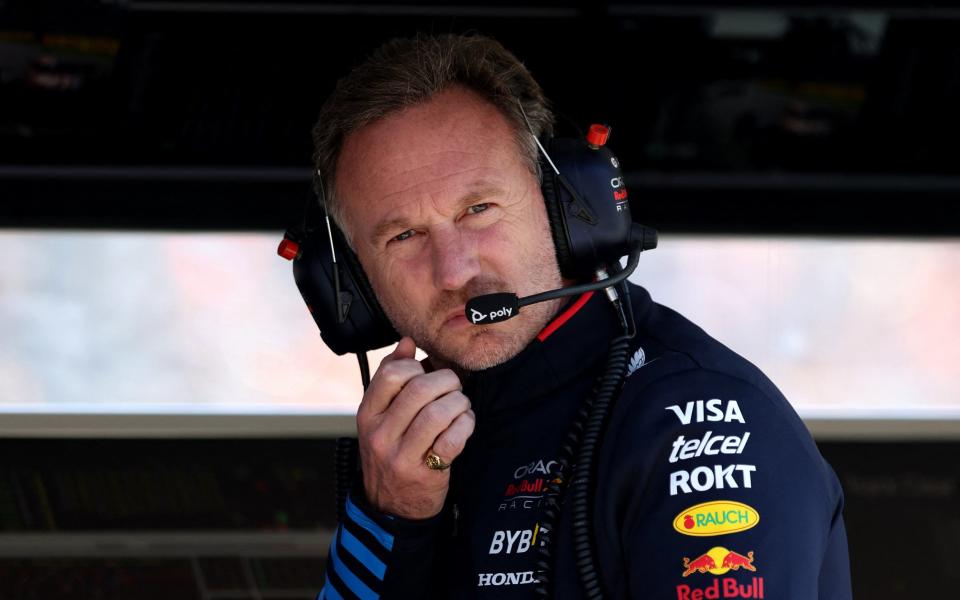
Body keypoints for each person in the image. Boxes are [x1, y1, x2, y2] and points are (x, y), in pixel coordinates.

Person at [309, 33, 852, 599]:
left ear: (566, 204)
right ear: (351, 280)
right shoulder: (399, 465)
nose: (453, 270)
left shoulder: (697, 425)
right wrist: (393, 515)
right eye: (403, 235)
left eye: (478, 209)